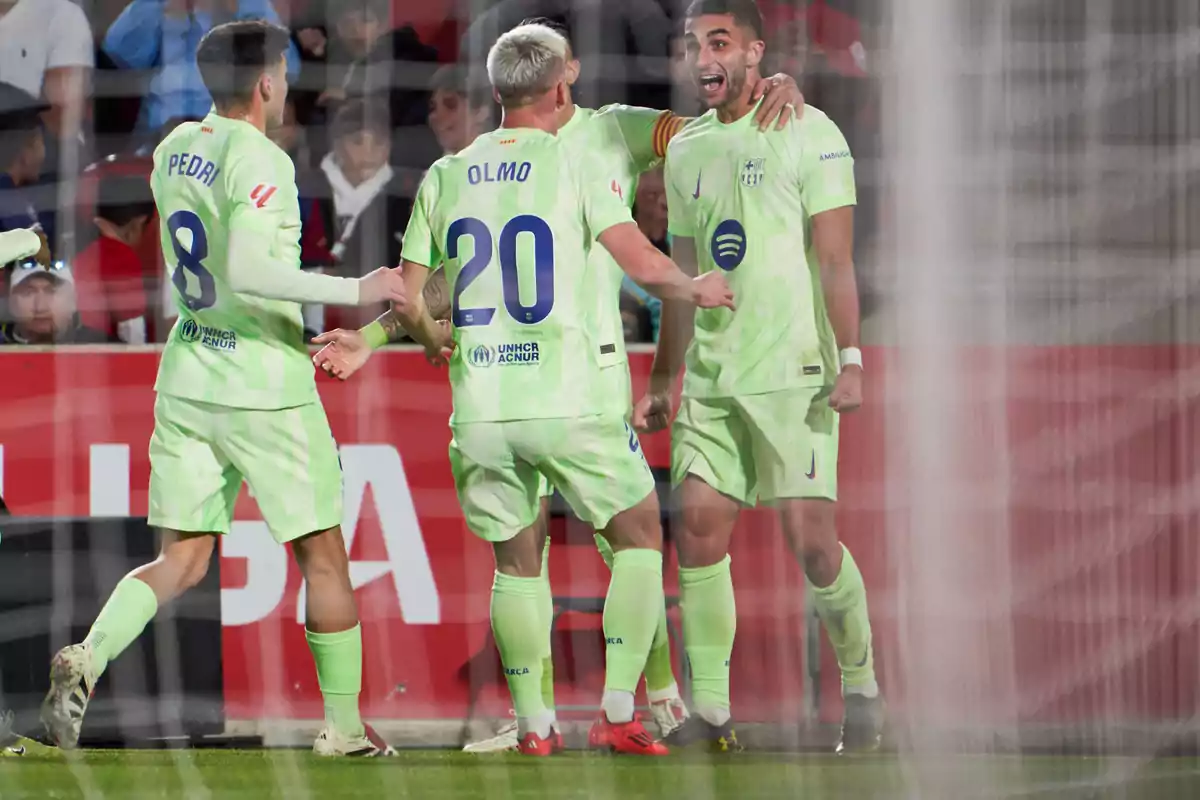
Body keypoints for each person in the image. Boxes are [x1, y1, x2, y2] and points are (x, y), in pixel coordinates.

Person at [310, 15, 804, 751]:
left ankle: (618, 705)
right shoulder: (571, 161)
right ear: (565, 70)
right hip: (574, 381)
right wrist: (689, 285)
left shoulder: (546, 147)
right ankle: (611, 711)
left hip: (497, 394)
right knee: (630, 538)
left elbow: (428, 288)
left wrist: (770, 92)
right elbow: (636, 250)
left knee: (546, 554)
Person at [39, 19, 406, 756]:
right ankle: (342, 729)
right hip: (262, 382)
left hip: (187, 376)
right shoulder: (261, 157)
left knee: (183, 558)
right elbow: (248, 270)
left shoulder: (174, 147)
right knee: (324, 558)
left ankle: (92, 654)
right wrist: (358, 285)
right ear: (270, 80)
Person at [632, 0, 884, 755]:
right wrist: (662, 379)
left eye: (719, 42)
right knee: (701, 536)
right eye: (692, 45)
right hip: (711, 379)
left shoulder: (810, 132)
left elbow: (836, 260)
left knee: (813, 544)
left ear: (754, 52)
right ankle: (711, 713)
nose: (703, 57)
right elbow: (681, 277)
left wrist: (851, 358)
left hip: (794, 374)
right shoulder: (683, 150)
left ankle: (864, 690)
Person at [72, 175, 155, 344]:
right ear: (138, 223)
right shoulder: (120, 255)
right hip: (104, 353)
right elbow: (132, 328)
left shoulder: (79, 249)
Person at [1, 261, 107, 345]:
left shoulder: (106, 348)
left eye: (51, 292)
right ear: (11, 302)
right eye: (28, 293)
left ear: (73, 301)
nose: (41, 307)